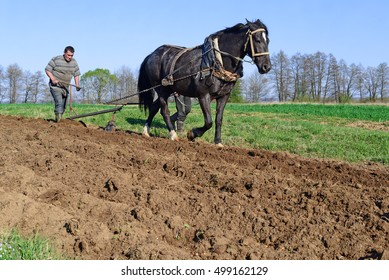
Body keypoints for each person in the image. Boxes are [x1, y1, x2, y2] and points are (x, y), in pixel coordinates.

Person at [45, 46, 81, 122]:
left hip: (66, 87)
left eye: (72, 55)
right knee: (59, 103)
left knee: (64, 106)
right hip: (56, 86)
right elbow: (47, 69)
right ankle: (58, 122)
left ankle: (59, 120)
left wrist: (77, 84)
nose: (70, 57)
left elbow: (76, 74)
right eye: (68, 55)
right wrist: (53, 79)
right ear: (64, 53)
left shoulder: (74, 62)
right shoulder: (56, 59)